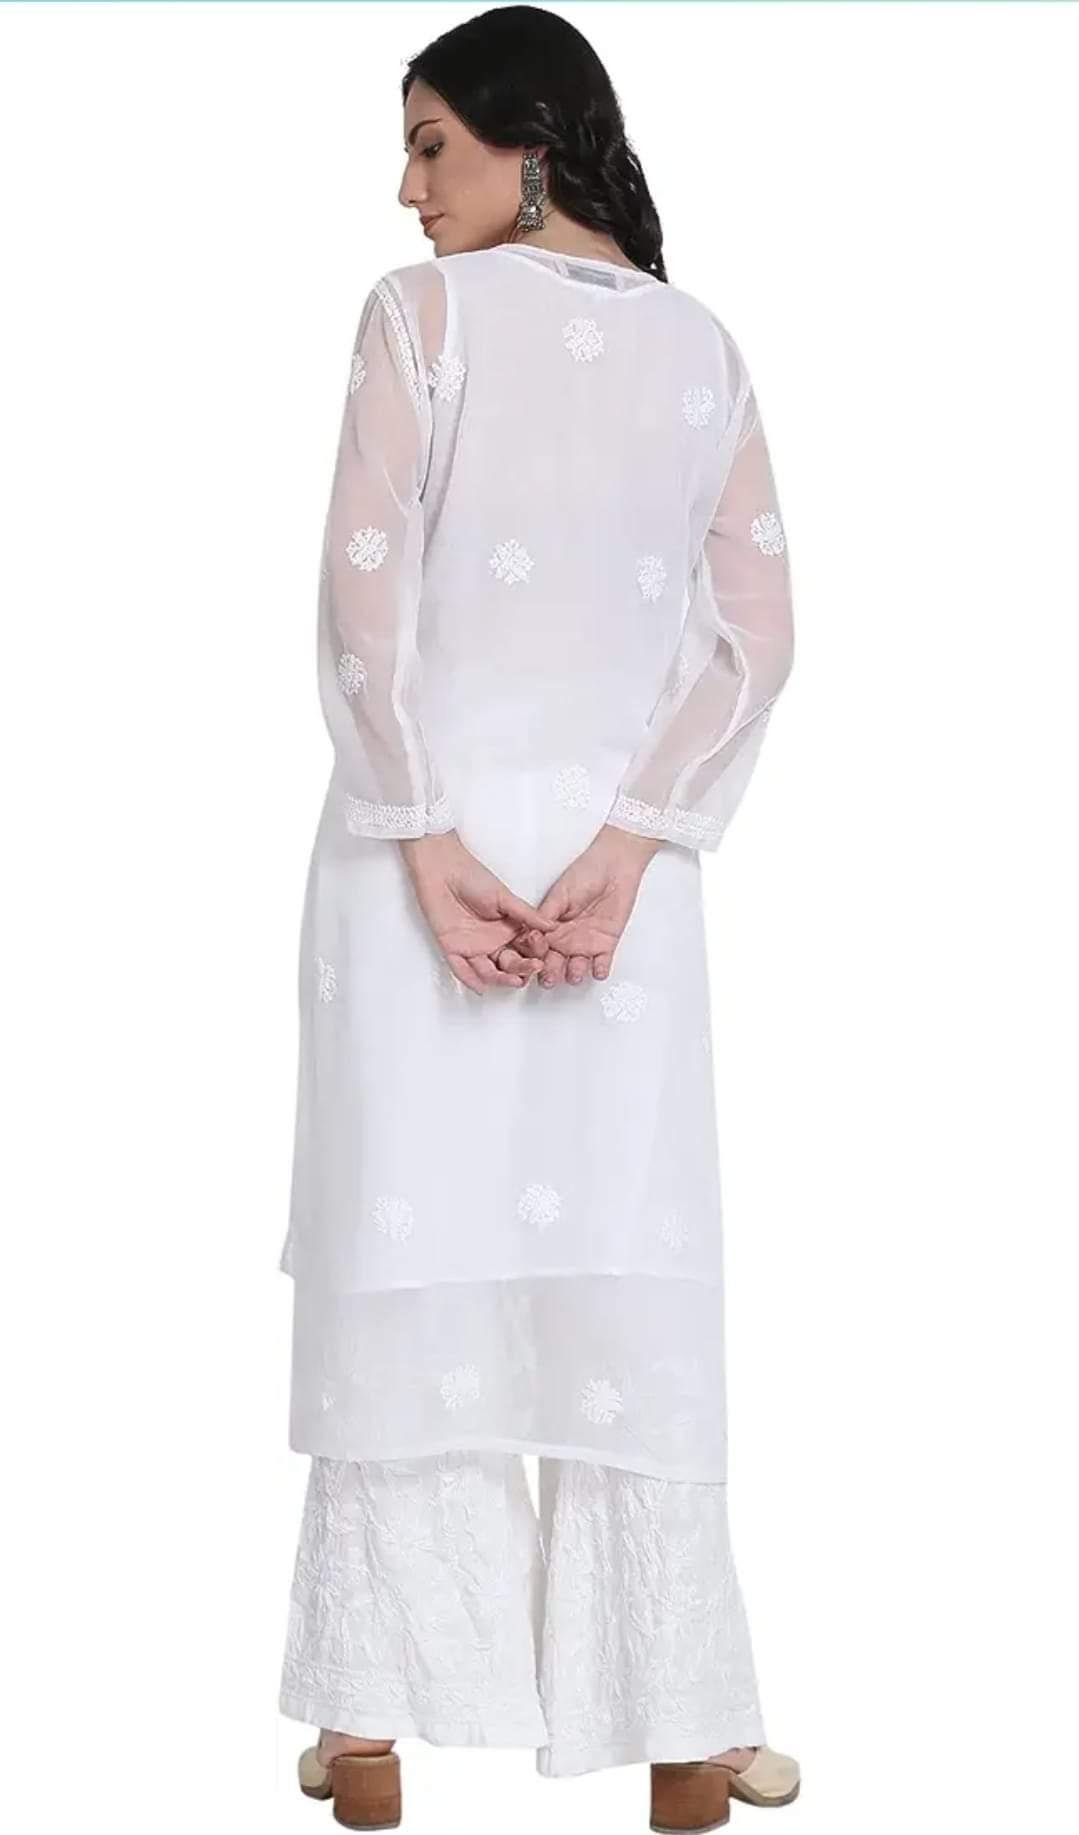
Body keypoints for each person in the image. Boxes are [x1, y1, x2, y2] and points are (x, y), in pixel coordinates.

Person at [277, 6, 800, 1826]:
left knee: (411, 1248)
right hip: (613, 895)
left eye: (431, 144)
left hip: (413, 853)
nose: (405, 188)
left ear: (532, 142)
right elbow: (757, 641)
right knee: (620, 1263)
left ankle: (370, 1719)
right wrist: (636, 844)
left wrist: (423, 836)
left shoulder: (416, 320)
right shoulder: (703, 347)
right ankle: (680, 1722)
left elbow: (362, 605)